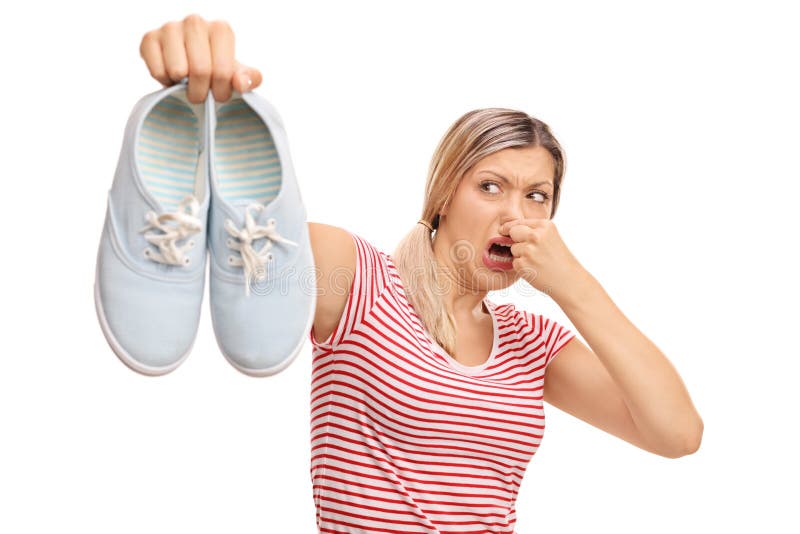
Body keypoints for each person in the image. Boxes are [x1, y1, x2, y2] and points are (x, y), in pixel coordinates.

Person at [139, 14, 704, 532]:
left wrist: (573, 284)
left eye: (537, 196)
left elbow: (678, 434)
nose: (516, 215)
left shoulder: (534, 343)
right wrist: (201, 100)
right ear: (443, 196)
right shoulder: (357, 280)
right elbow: (235, 239)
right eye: (490, 186)